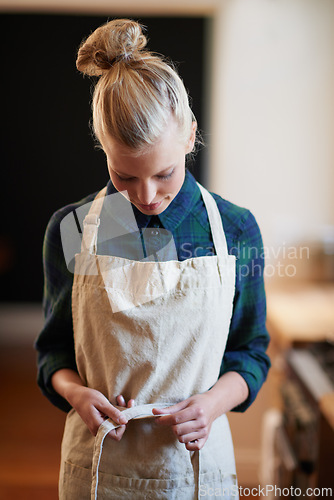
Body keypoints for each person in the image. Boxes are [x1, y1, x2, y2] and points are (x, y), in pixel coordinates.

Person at [35, 18, 270, 500]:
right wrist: (76, 393)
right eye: (124, 176)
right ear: (103, 149)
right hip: (99, 468)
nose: (146, 196)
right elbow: (53, 353)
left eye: (164, 174)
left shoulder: (233, 230)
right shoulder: (73, 229)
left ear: (190, 136)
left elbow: (251, 352)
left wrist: (211, 404)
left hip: (196, 468)